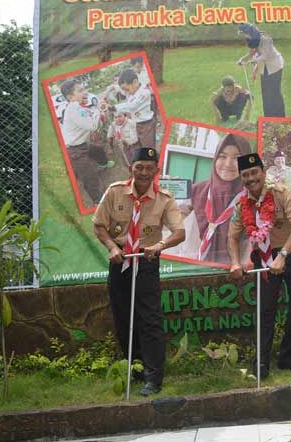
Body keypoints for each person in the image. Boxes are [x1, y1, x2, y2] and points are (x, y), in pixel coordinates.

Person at [93, 147, 185, 396]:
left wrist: (161, 245)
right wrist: (111, 246)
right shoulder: (114, 192)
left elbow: (179, 232)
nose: (144, 173)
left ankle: (154, 377)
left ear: (156, 171)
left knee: (150, 320)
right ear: (130, 168)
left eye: (149, 168)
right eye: (139, 167)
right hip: (120, 259)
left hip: (146, 260)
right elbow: (99, 225)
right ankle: (135, 370)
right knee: (124, 318)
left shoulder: (165, 198)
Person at [228, 153, 291, 378]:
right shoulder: (242, 203)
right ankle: (261, 363)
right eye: (245, 175)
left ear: (263, 173)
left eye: (254, 173)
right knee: (264, 310)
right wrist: (235, 262)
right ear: (241, 178)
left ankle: (288, 359)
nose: (251, 178)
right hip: (263, 256)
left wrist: (283, 255)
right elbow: (233, 237)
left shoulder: (281, 193)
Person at [185, 134, 252, 264]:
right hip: (196, 268)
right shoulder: (197, 190)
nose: (228, 164)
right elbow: (172, 222)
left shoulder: (253, 197)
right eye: (222, 156)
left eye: (237, 158)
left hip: (237, 271)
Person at [60, 78, 104, 204]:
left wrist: (97, 112)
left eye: (83, 89)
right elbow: (92, 126)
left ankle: (102, 164)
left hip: (81, 145)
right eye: (80, 90)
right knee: (91, 177)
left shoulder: (77, 107)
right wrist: (98, 110)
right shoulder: (74, 108)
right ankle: (98, 201)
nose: (84, 92)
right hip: (74, 150)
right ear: (70, 96)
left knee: (98, 151)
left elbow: (90, 117)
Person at [237, 23, 285, 117]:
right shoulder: (251, 40)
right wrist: (242, 59)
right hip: (265, 68)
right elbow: (251, 53)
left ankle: (280, 117)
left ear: (248, 32)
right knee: (266, 93)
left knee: (274, 92)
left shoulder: (266, 39)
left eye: (243, 34)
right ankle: (268, 117)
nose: (243, 37)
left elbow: (265, 55)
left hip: (274, 66)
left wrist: (253, 61)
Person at [115, 68, 156, 149]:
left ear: (135, 82)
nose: (127, 92)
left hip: (146, 124)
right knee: (141, 145)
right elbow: (119, 88)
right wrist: (110, 89)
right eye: (125, 90)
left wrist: (114, 107)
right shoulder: (132, 90)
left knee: (148, 147)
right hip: (137, 124)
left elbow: (132, 106)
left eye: (127, 89)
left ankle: (152, 160)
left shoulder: (144, 92)